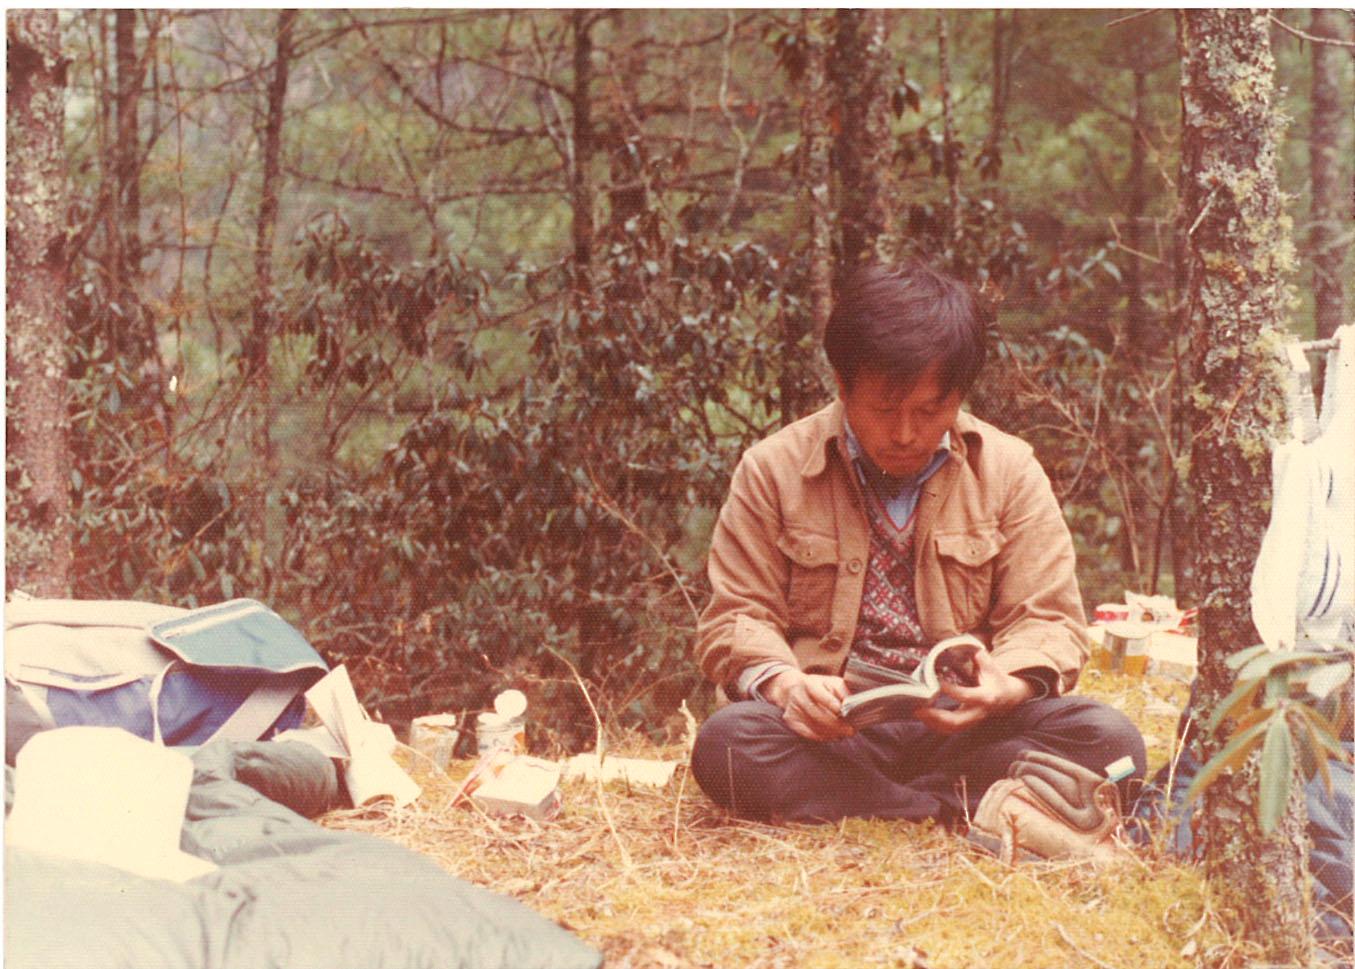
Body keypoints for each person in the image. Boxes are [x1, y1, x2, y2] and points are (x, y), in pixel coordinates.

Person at [689, 262, 1146, 835]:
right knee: (727, 744)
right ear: (842, 386)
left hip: (966, 733)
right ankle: (948, 810)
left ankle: (878, 805)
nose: (905, 433)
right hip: (836, 736)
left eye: (930, 410)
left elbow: (1048, 618)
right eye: (883, 409)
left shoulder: (1008, 470)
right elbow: (736, 617)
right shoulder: (773, 470)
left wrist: (1005, 684)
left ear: (960, 395)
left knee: (1112, 741)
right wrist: (788, 687)